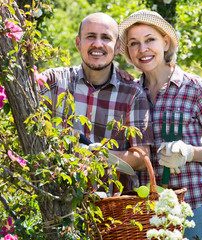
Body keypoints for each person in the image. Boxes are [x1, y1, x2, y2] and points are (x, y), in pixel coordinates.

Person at [118, 10, 202, 240]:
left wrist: (190, 152)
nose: (143, 49)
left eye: (150, 39)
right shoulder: (130, 92)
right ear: (129, 52)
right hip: (148, 212)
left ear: (165, 42)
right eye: (134, 43)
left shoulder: (193, 88)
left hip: (195, 206)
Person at [39, 12, 153, 190]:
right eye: (90, 36)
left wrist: (100, 155)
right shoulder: (55, 81)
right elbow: (12, 92)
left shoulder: (132, 94)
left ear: (117, 47)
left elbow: (142, 159)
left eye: (106, 38)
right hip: (58, 199)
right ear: (78, 43)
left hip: (112, 205)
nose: (97, 44)